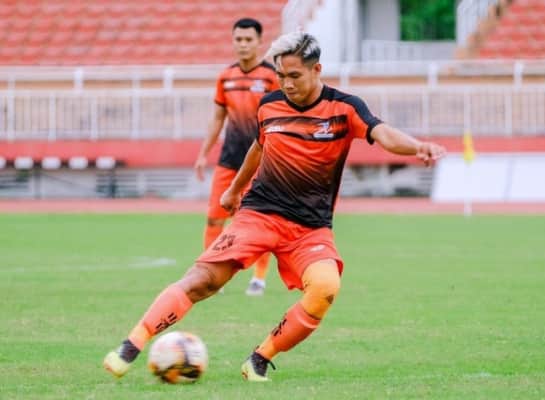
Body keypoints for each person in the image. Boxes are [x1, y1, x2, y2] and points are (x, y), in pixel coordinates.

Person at [103, 32, 446, 382]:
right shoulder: (269, 105)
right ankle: (131, 345)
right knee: (202, 280)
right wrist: (234, 190)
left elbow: (383, 133)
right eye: (281, 75)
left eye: (294, 75)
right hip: (258, 216)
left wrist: (417, 146)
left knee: (325, 288)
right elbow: (258, 148)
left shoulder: (344, 108)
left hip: (309, 229)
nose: (287, 84)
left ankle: (259, 359)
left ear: (316, 70)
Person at [193, 17, 277, 296]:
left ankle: (259, 279)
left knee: (259, 221)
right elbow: (218, 118)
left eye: (248, 39)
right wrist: (203, 154)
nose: (243, 44)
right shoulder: (225, 77)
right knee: (214, 219)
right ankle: (208, 275)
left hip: (261, 163)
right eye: (238, 39)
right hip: (228, 161)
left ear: (259, 42)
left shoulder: (271, 77)